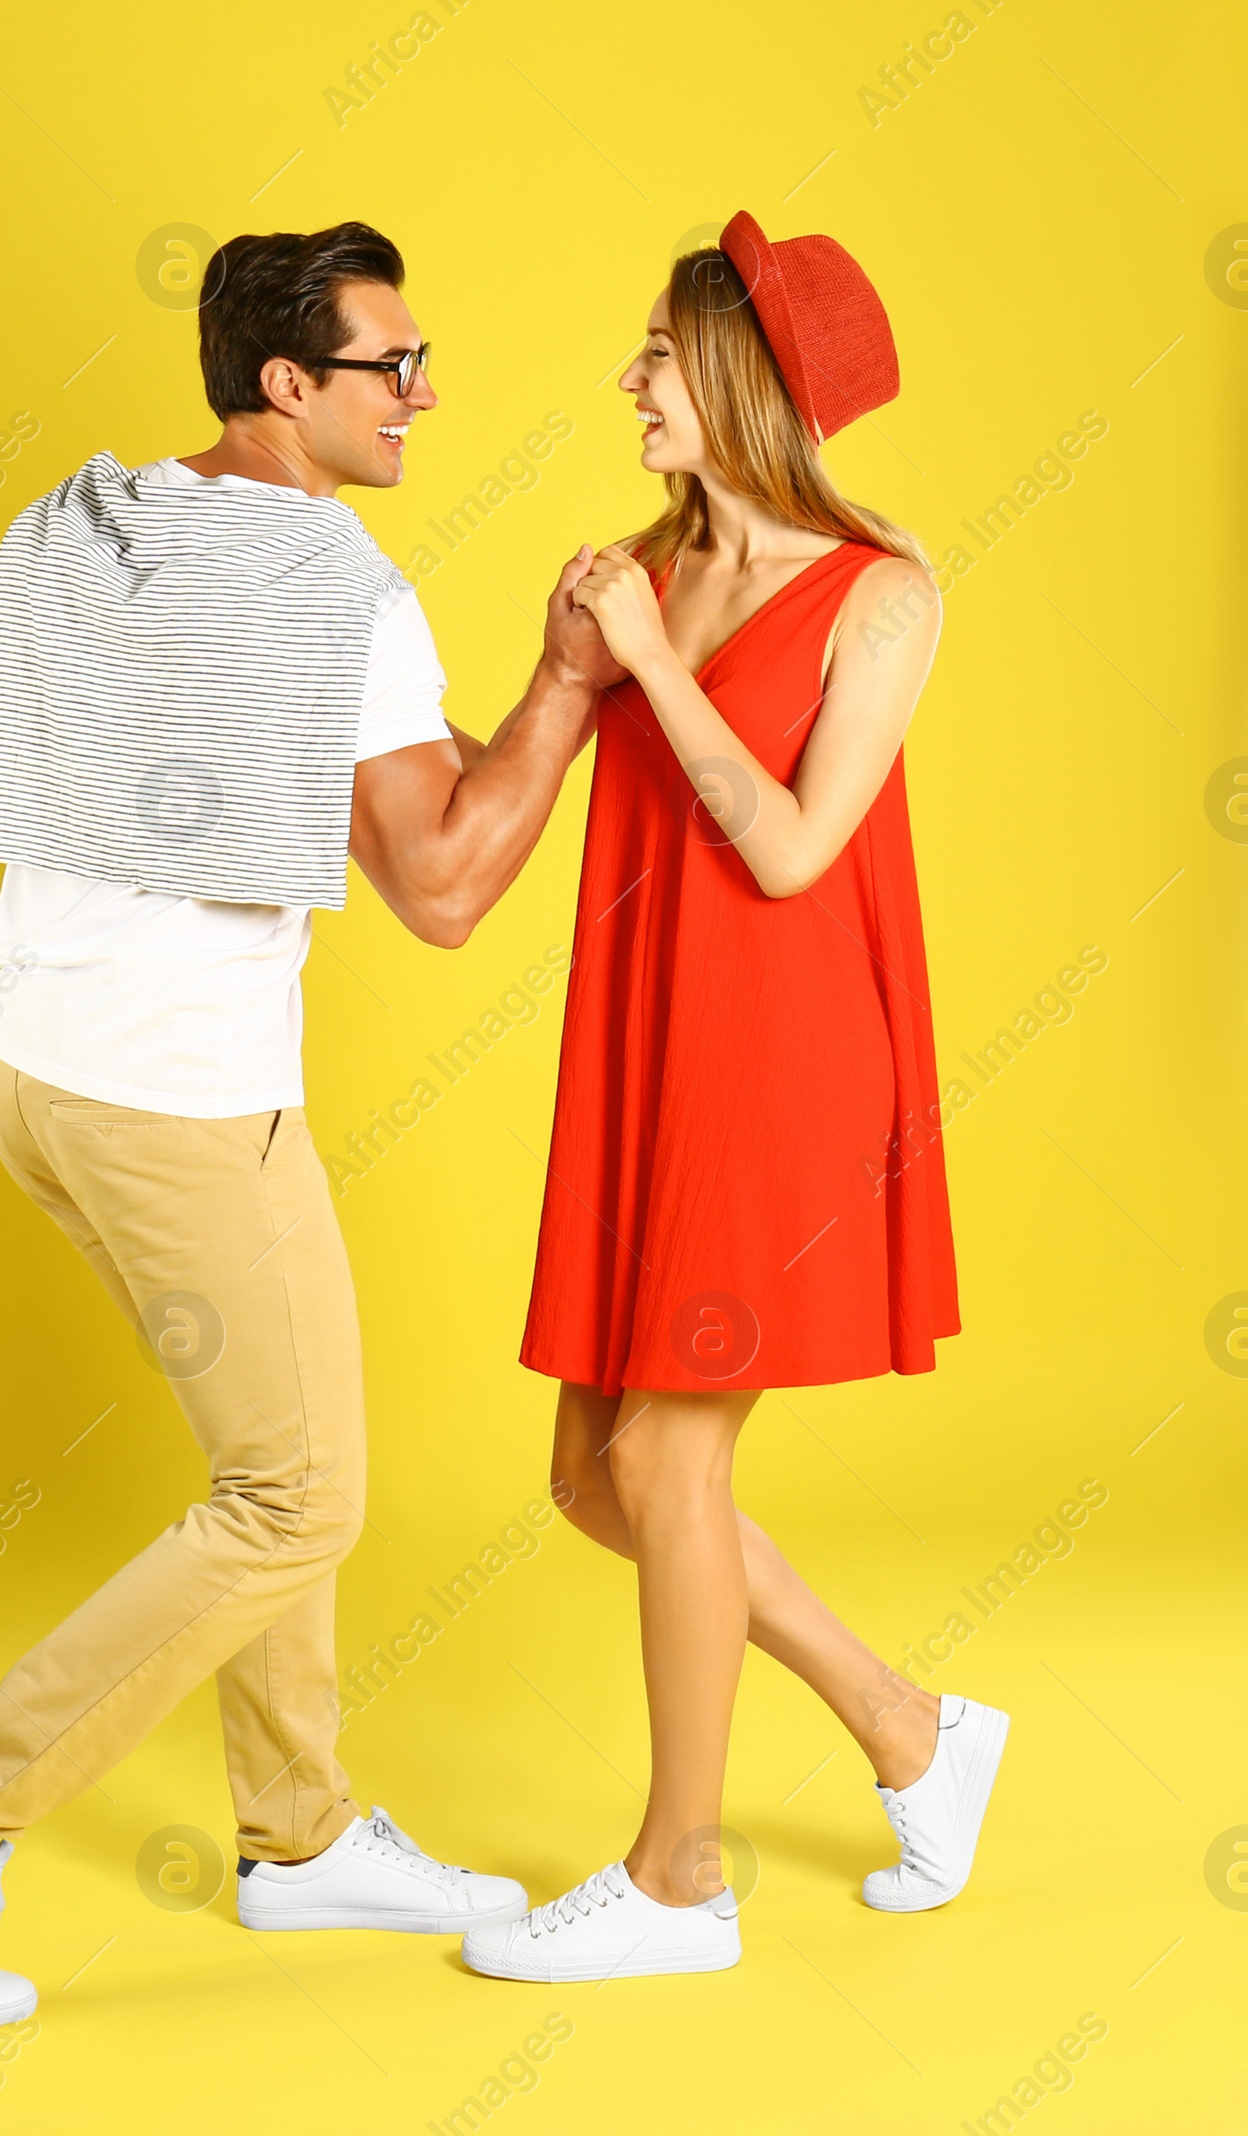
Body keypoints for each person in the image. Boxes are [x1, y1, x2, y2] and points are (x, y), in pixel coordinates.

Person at [0, 221, 615, 2030]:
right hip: (184, 1102)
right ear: (289, 385)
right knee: (304, 1490)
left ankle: (302, 1832)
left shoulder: (82, 520)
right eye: (390, 367)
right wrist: (568, 682)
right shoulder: (334, 590)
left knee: (277, 1454)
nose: (426, 395)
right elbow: (439, 887)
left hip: (37, 1071)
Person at [462, 213, 1007, 1985]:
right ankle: (913, 1728)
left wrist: (654, 657)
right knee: (594, 1479)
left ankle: (678, 1876)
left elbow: (787, 852)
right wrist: (572, 656)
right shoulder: (643, 562)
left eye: (659, 353)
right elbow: (551, 769)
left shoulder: (886, 595)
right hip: (648, 1042)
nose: (629, 378)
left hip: (783, 1063)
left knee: (662, 1458)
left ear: (752, 386)